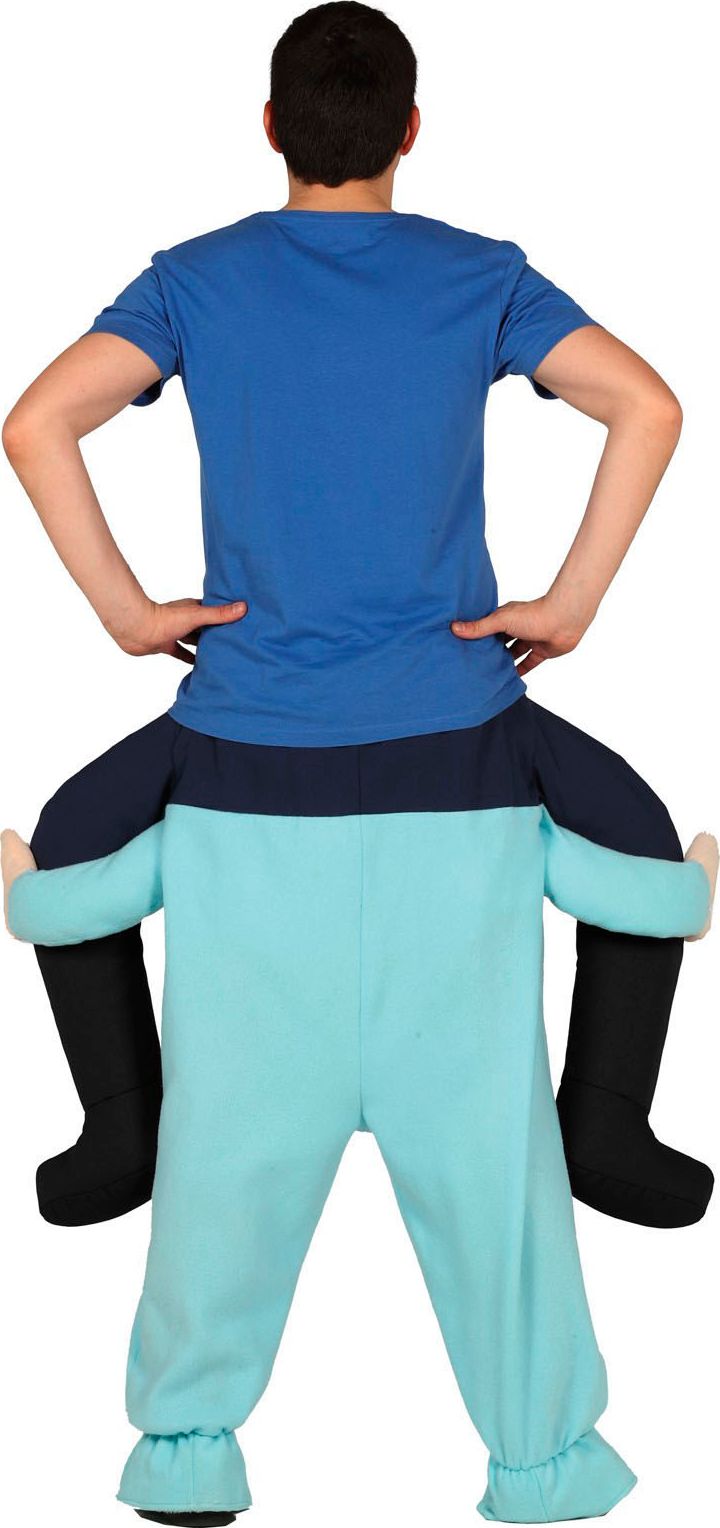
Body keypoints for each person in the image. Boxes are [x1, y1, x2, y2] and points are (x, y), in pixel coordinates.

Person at [2, 3, 715, 1521]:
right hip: (464, 758)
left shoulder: (193, 279)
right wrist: (572, 604)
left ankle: (169, 1369)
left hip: (240, 773)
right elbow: (649, 407)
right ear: (412, 130)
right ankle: (583, 1259)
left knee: (165, 1049)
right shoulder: (481, 275)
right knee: (599, 947)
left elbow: (38, 421)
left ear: (269, 129)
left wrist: (128, 614)